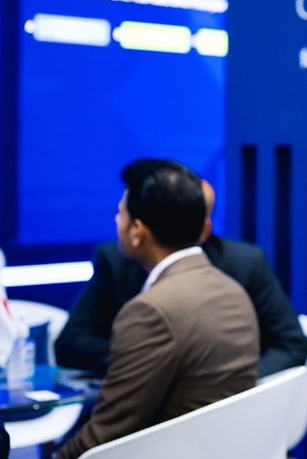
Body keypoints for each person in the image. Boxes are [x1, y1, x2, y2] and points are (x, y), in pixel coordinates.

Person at [55, 159, 259, 459]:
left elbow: (105, 435)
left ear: (137, 231)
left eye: (121, 213)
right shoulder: (232, 290)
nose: (116, 221)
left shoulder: (150, 311)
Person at [55, 179, 307, 379]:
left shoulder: (245, 264)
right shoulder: (116, 260)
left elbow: (291, 343)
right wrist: (152, 363)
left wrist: (235, 385)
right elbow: (70, 344)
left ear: (204, 228)